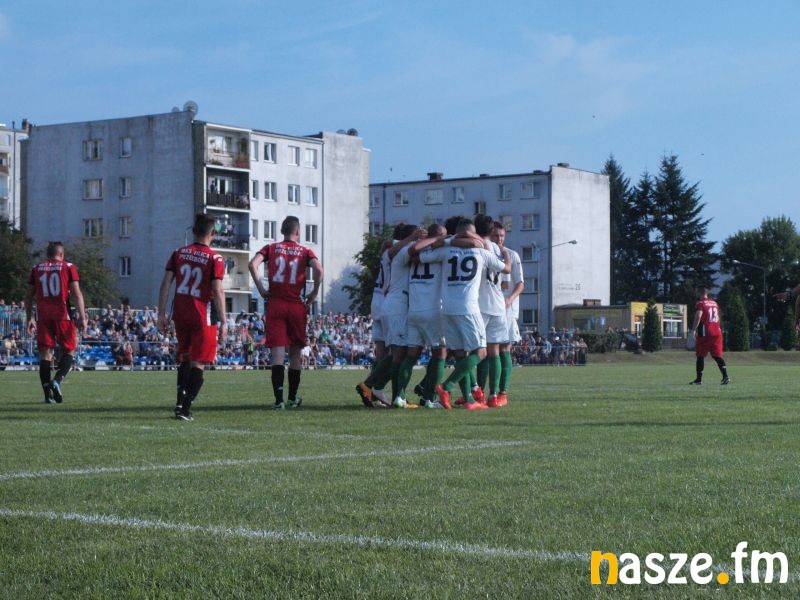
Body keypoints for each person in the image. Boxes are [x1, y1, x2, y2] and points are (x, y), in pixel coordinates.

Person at [419, 218, 510, 410]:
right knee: (481, 352)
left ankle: (469, 399)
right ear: (472, 233)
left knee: (460, 354)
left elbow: (421, 256)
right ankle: (446, 386)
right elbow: (506, 268)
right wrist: (506, 256)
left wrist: (448, 241)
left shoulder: (445, 250)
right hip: (468, 307)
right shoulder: (481, 251)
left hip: (447, 308)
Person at [158, 214, 227, 421]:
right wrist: (224, 321)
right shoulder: (215, 258)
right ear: (212, 233)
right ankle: (185, 409)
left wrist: (161, 313)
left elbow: (166, 283)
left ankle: (179, 402)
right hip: (202, 315)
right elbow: (217, 290)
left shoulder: (178, 253)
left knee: (185, 358)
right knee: (199, 362)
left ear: (194, 231)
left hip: (181, 312)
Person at [249, 215, 323, 409]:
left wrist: (262, 289)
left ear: (282, 231)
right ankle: (292, 398)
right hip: (296, 306)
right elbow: (319, 270)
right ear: (298, 231)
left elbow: (252, 264)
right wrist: (314, 292)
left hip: (275, 304)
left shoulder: (271, 248)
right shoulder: (305, 251)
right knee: (295, 354)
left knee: (277, 354)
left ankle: (278, 401)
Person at [25, 241, 87, 404]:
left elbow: (28, 296)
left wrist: (29, 318)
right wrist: (83, 317)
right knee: (69, 351)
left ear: (48, 254)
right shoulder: (68, 266)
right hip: (62, 315)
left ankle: (47, 395)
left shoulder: (36, 268)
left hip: (43, 316)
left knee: (45, 355)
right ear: (61, 254)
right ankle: (57, 381)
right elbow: (77, 294)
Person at [491, 220, 524, 405]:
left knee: (504, 348)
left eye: (502, 235)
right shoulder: (486, 253)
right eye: (496, 235)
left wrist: (509, 299)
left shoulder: (512, 255)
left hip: (506, 310)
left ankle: (502, 392)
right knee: (486, 350)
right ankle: (483, 392)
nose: (499, 239)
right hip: (489, 307)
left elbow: (520, 283)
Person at [690, 284, 730, 385]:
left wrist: (693, 330)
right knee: (717, 355)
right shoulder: (714, 303)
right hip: (717, 332)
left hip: (706, 332)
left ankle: (698, 379)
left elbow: (698, 316)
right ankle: (725, 376)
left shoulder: (700, 303)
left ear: (699, 291)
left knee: (700, 355)